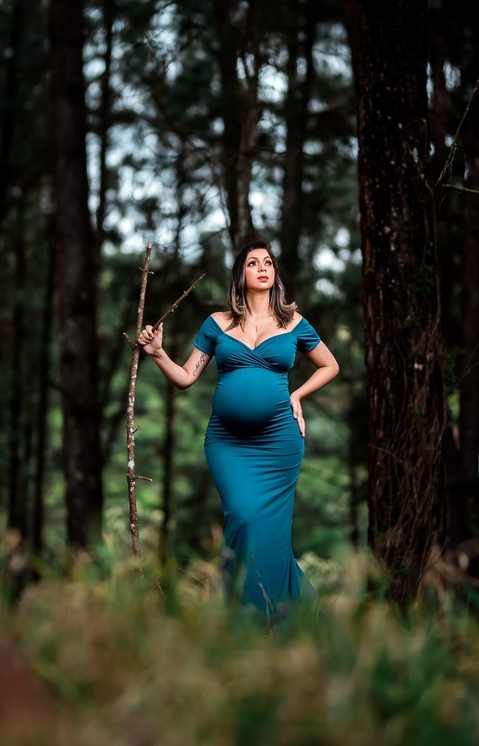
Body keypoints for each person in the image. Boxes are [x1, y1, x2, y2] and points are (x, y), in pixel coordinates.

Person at [137, 241, 339, 618]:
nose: (262, 268)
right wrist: (159, 353)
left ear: (274, 273)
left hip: (279, 442)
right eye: (252, 263)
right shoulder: (217, 324)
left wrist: (297, 394)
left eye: (267, 262)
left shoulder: (294, 323)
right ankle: (242, 615)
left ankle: (280, 622)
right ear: (240, 275)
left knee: (273, 537)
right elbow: (185, 377)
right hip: (228, 444)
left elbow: (330, 366)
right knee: (243, 516)